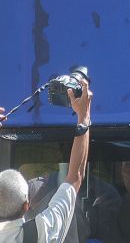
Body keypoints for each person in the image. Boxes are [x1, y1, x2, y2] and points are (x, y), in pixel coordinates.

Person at [0, 81, 91, 243]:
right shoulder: (41, 232)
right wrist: (83, 117)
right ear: (26, 206)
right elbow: (75, 176)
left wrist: (84, 120)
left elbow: (75, 177)